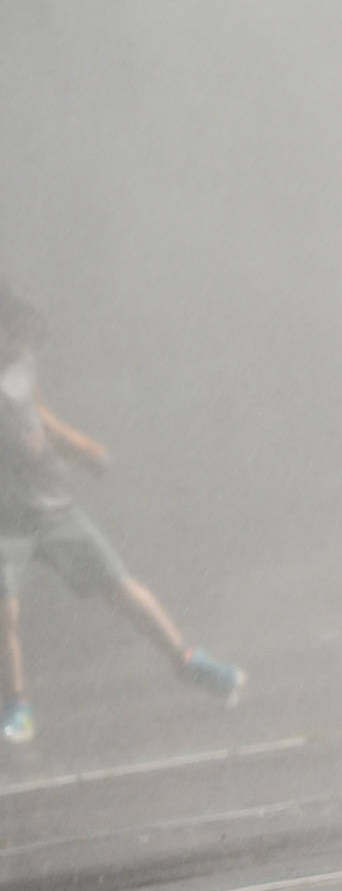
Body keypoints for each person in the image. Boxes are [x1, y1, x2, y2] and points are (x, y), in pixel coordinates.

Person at [0, 285, 246, 747]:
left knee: (117, 583)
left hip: (51, 505)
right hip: (3, 521)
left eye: (32, 340)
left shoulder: (22, 370)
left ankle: (187, 659)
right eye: (17, 338)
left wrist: (82, 450)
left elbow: (41, 422)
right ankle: (17, 706)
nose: (25, 349)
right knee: (3, 610)